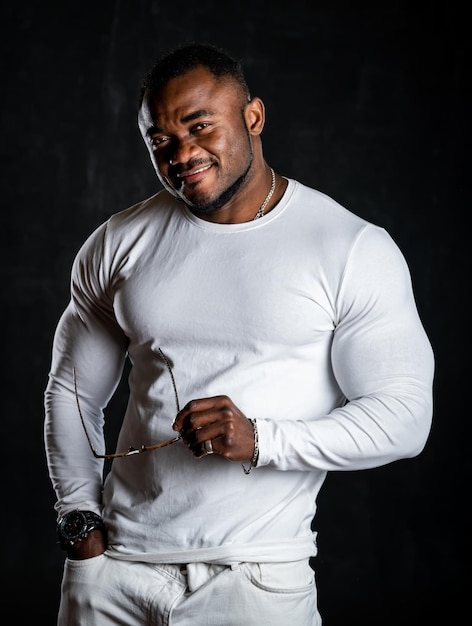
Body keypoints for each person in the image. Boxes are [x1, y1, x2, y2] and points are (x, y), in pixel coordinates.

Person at [44, 42, 434, 626]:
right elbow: (71, 393)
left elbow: (405, 417)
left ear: (253, 117)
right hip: (114, 574)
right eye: (162, 142)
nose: (184, 154)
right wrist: (79, 522)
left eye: (201, 127)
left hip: (254, 578)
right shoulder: (118, 243)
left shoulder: (348, 247)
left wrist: (261, 439)